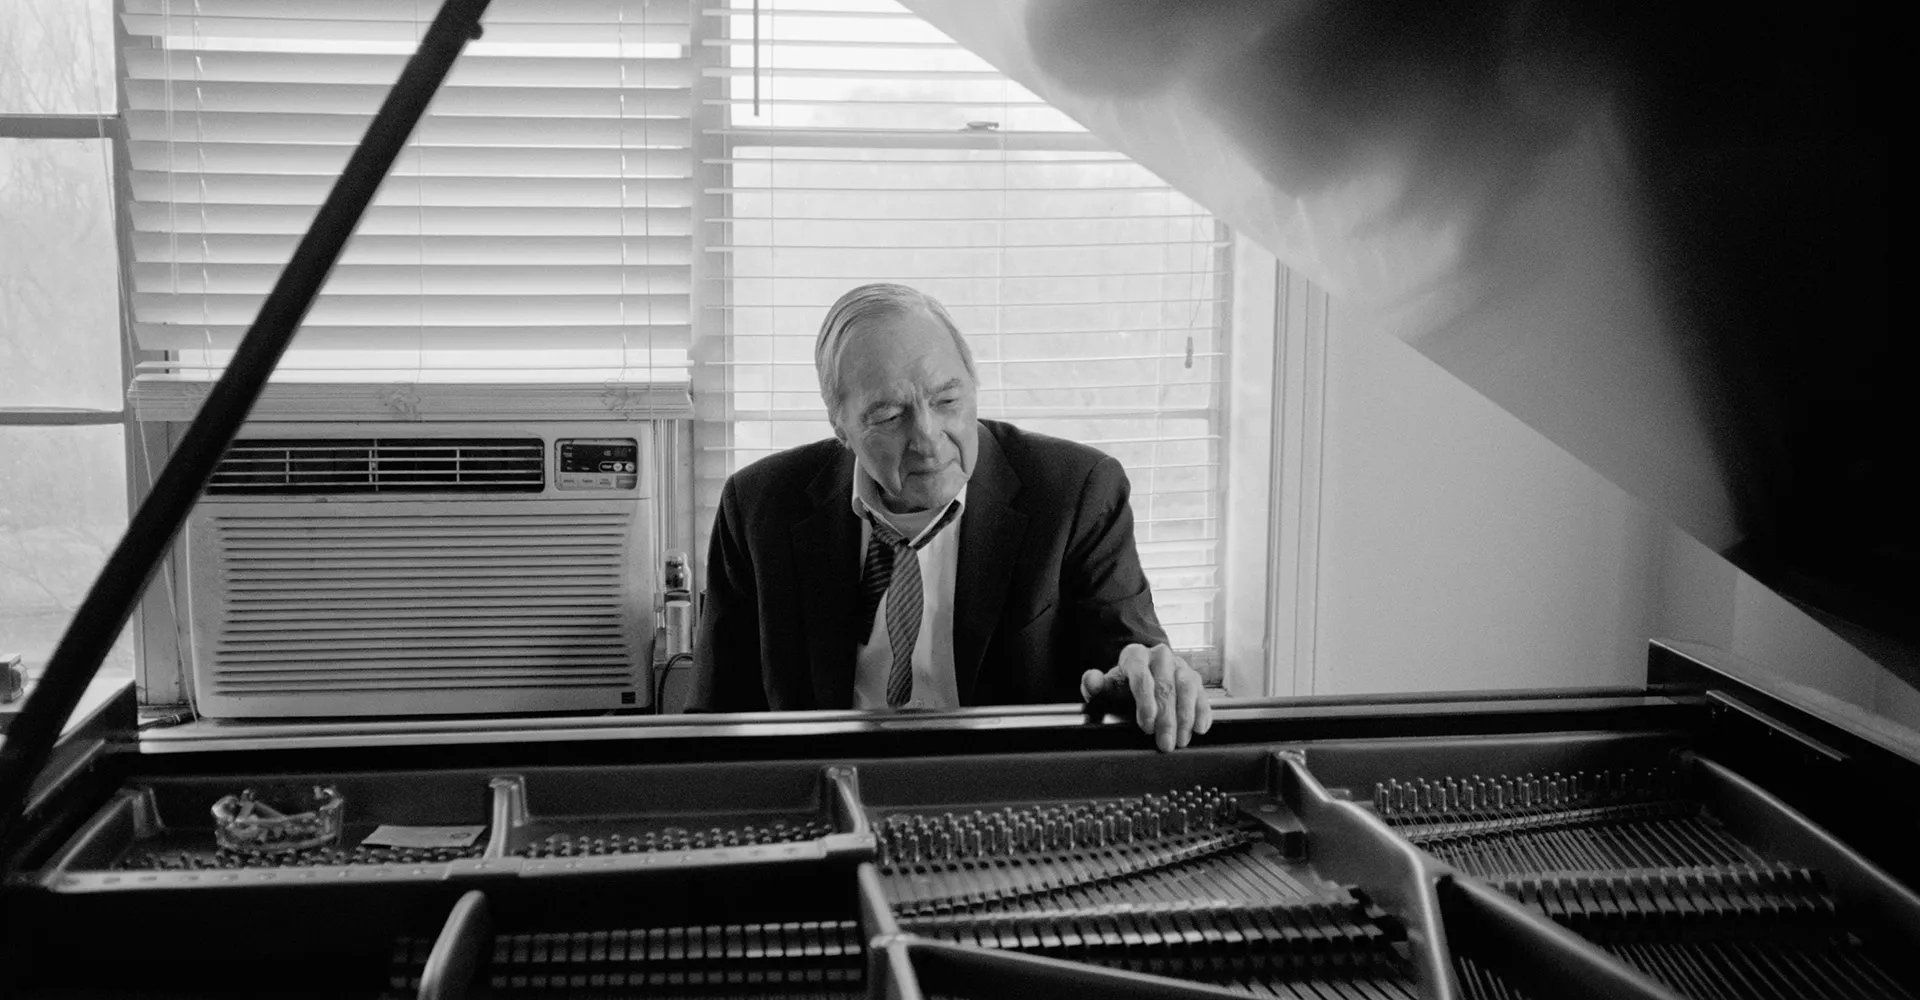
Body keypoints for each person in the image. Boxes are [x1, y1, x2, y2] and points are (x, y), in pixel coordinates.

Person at [689, 283, 1213, 751]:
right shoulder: (758, 508)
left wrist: (1143, 674)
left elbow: (1124, 648)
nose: (928, 439)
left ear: (973, 386)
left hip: (1009, 799)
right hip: (831, 786)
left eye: (947, 399)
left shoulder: (1076, 491)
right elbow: (716, 718)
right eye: (889, 416)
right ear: (841, 426)